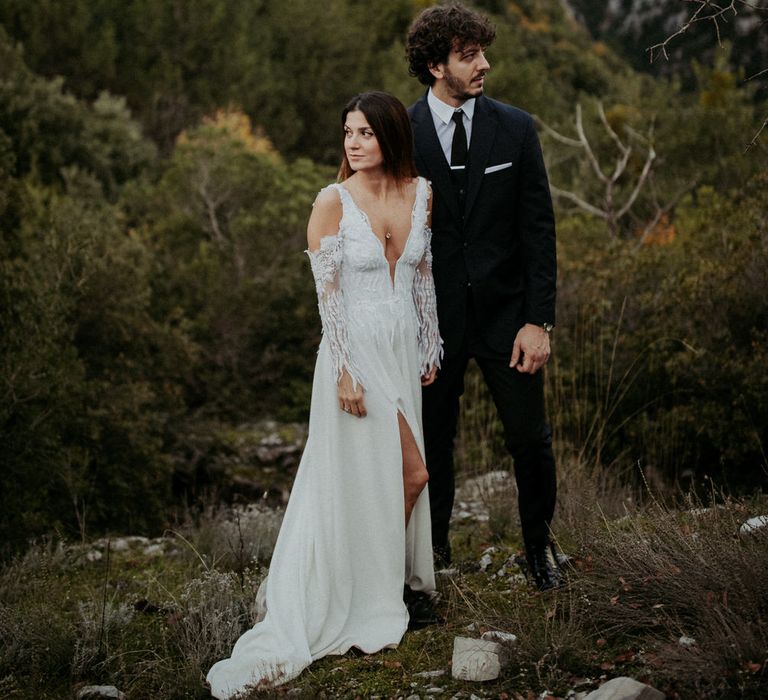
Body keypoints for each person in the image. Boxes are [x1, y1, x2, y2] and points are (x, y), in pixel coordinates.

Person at [206, 91, 443, 698]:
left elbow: (421, 276)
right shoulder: (331, 201)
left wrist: (431, 342)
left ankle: (375, 578)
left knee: (391, 476)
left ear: (392, 136)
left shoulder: (421, 194)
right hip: (355, 355)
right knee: (408, 475)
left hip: (401, 350)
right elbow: (328, 296)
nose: (353, 143)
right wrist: (343, 369)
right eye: (348, 133)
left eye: (365, 132)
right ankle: (360, 587)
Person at [405, 4, 561, 590]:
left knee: (531, 441)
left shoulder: (516, 128)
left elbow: (538, 232)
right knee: (433, 446)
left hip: (507, 321)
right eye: (469, 55)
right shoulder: (404, 133)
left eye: (482, 52)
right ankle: (436, 556)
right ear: (433, 65)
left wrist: (538, 321)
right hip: (430, 325)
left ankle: (540, 553)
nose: (484, 65)